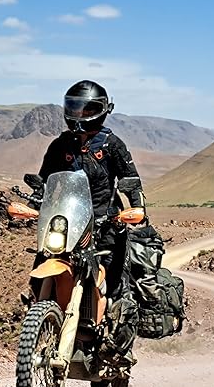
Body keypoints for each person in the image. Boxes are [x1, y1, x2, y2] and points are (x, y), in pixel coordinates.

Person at [36, 79, 145, 365]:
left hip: (105, 224)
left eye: (86, 109)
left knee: (112, 283)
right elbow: (45, 181)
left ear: (100, 111)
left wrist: (136, 208)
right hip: (70, 223)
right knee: (40, 262)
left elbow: (131, 182)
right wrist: (33, 202)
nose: (80, 114)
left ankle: (116, 340)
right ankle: (43, 319)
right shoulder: (60, 145)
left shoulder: (112, 145)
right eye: (74, 107)